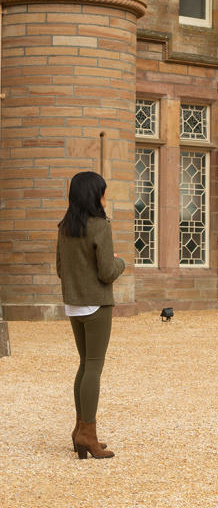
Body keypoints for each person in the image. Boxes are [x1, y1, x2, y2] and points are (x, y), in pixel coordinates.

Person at [56, 171, 126, 459]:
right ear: (94, 195)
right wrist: (121, 263)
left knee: (84, 365)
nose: (105, 198)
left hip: (73, 304)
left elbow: (61, 269)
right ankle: (88, 433)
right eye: (103, 192)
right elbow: (107, 272)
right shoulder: (100, 226)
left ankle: (79, 430)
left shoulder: (64, 227)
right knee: (94, 367)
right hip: (97, 304)